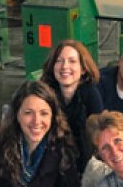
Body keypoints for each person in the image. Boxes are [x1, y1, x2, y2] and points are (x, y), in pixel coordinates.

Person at [40, 40, 104, 173]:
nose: (65, 66)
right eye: (59, 60)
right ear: (52, 66)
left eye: (72, 61)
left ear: (83, 69)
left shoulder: (91, 94)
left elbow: (100, 135)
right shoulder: (44, 93)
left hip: (83, 165)